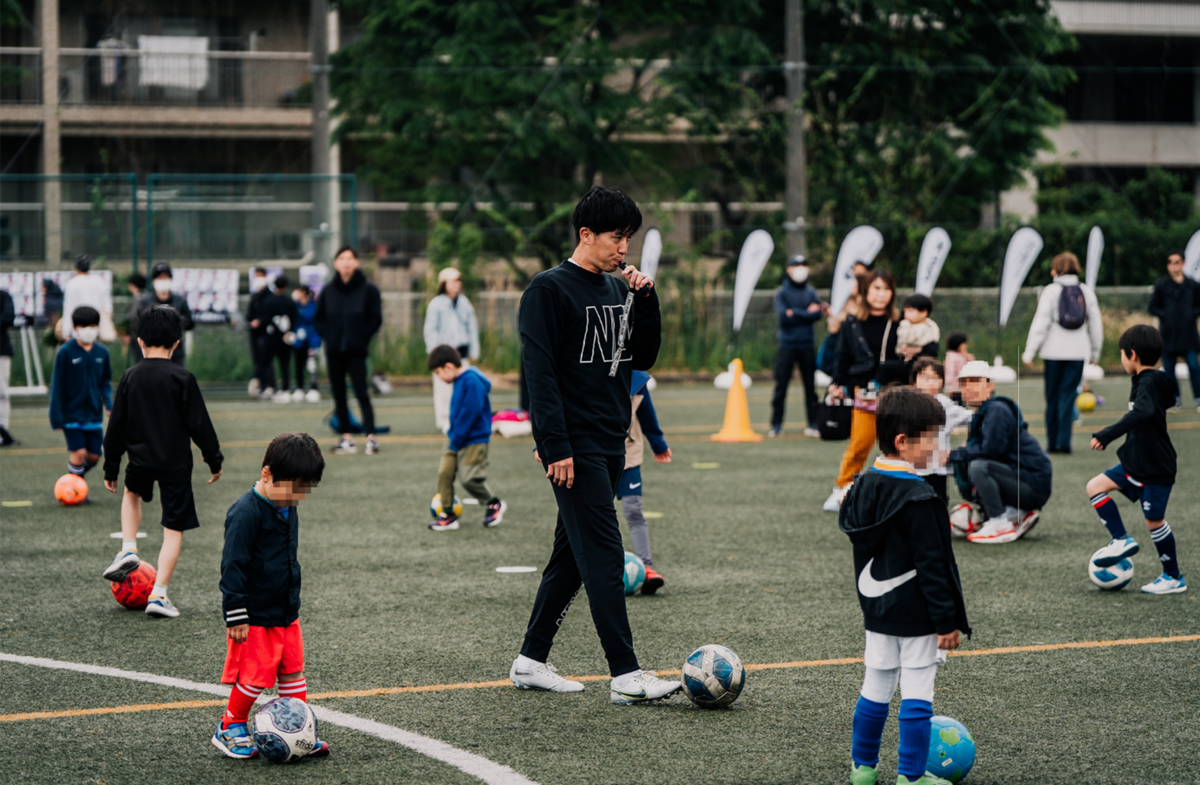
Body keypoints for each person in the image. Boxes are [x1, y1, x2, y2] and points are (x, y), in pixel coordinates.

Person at [512, 185, 681, 704]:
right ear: (585, 234)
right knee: (606, 554)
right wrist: (554, 444)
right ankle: (626, 676)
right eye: (615, 236)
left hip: (611, 441)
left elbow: (641, 358)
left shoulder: (617, 290)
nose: (623, 247)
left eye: (628, 237)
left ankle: (529, 661)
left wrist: (646, 300)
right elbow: (538, 374)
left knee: (569, 558)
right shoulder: (547, 290)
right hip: (574, 447)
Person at [839, 387, 970, 785]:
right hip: (916, 614)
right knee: (917, 692)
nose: (938, 446)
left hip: (877, 612)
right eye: (932, 438)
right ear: (903, 441)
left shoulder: (860, 486)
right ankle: (911, 778)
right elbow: (933, 567)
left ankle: (862, 770)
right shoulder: (921, 498)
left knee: (875, 686)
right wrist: (947, 621)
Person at [213, 432, 331, 760]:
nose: (296, 497)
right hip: (255, 615)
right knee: (253, 678)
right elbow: (232, 564)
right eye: (292, 488)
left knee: (293, 673)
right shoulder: (245, 512)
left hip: (285, 611)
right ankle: (229, 725)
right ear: (266, 474)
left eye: (303, 490)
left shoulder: (287, 506)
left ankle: (300, 732)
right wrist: (235, 609)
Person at [101, 306, 223, 618]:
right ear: (177, 344)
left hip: (139, 461)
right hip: (175, 465)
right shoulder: (183, 378)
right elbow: (200, 424)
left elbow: (116, 427)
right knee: (173, 528)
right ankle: (159, 594)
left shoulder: (130, 376)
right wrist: (214, 459)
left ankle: (129, 548)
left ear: (139, 342)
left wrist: (111, 466)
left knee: (131, 494)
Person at [1087, 325, 1186, 595]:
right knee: (1095, 486)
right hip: (1135, 462)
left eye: (1121, 353)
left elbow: (1143, 410)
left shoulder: (1148, 381)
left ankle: (1173, 577)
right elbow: (1163, 400)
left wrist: (1107, 434)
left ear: (1132, 354)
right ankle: (1121, 539)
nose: (1121, 358)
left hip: (1155, 467)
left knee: (1154, 522)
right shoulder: (1150, 380)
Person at [824, 270, 907, 513]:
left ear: (892, 293)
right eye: (876, 288)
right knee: (860, 444)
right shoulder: (852, 322)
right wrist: (837, 384)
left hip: (895, 393)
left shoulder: (901, 321)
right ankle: (843, 488)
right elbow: (842, 356)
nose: (881, 294)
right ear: (865, 292)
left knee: (900, 445)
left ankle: (902, 492)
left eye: (886, 289)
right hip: (863, 393)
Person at [948, 360, 1052, 544]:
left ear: (990, 386)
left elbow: (990, 451)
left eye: (975, 381)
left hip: (1032, 486)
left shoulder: (996, 410)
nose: (968, 388)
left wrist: (955, 454)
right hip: (1027, 482)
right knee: (975, 462)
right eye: (964, 383)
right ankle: (1015, 514)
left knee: (979, 466)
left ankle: (999, 523)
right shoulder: (985, 412)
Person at [1021, 252, 1103, 454]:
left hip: (1052, 352)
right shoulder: (1085, 291)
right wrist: (1095, 352)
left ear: (1056, 270)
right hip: (1077, 352)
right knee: (1067, 395)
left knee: (1052, 397)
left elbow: (1040, 322)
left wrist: (1030, 351)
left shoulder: (1051, 291)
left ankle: (1051, 443)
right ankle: (1064, 442)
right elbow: (1096, 324)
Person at [426, 344, 506, 531]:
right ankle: (447, 513)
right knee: (444, 473)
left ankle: (493, 503)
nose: (438, 377)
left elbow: (470, 412)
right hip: (456, 437)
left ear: (449, 366)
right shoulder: (459, 380)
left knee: (468, 478)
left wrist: (457, 438)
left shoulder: (471, 380)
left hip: (473, 440)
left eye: (438, 372)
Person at [314, 246, 383, 456]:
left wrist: (362, 336)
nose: (345, 262)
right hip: (334, 351)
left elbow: (375, 318)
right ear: (335, 263)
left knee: (362, 393)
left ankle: (371, 438)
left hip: (356, 351)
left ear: (356, 262)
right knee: (339, 395)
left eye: (349, 258)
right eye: (341, 258)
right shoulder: (328, 290)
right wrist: (329, 336)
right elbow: (318, 319)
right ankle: (346, 438)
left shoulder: (368, 289)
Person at [620, 370, 671, 594]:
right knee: (594, 515)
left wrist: (658, 444)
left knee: (633, 509)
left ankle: (646, 567)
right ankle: (592, 570)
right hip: (592, 453)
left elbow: (646, 412)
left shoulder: (635, 376)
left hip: (627, 453)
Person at [49, 306, 112, 480]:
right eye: (84, 326)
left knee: (94, 456)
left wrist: (109, 405)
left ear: (98, 327)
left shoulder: (102, 352)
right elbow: (57, 386)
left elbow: (105, 383)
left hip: (93, 415)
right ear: (75, 328)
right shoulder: (65, 352)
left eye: (92, 326)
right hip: (71, 415)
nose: (88, 330)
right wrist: (57, 417)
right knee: (78, 453)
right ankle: (75, 488)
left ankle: (73, 480)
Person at [769, 255, 825, 438]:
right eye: (796, 265)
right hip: (787, 345)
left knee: (811, 387)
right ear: (789, 269)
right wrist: (806, 313)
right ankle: (776, 424)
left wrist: (796, 313)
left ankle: (813, 423)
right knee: (781, 385)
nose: (800, 269)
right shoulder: (782, 293)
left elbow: (817, 315)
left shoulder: (811, 292)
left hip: (807, 344)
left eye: (804, 265)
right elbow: (784, 317)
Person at [424, 267, 481, 433]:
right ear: (444, 284)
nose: (457, 285)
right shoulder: (436, 304)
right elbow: (430, 330)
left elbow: (472, 328)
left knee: (463, 388)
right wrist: (435, 354)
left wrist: (474, 351)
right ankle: (444, 421)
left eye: (458, 281)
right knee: (443, 390)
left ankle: (460, 419)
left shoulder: (464, 303)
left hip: (461, 354)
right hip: (444, 355)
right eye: (453, 281)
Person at [910, 359, 973, 505]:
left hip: (936, 467)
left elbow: (970, 417)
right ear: (914, 381)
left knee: (938, 502)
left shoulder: (944, 404)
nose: (931, 383)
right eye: (925, 378)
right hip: (911, 468)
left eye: (936, 378)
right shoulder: (908, 403)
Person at [1148, 250, 1200, 413]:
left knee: (1194, 367)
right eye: (1170, 262)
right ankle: (1174, 399)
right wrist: (1164, 314)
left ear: (1183, 263)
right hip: (1168, 337)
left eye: (1177, 262)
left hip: (1188, 336)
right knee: (1169, 370)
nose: (1174, 265)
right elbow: (1152, 307)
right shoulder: (1161, 285)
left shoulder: (1192, 285)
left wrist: (1192, 314)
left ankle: (1198, 398)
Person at [132, 263, 194, 366]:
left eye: (165, 277)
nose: (163, 280)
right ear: (153, 281)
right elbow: (137, 325)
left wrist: (172, 319)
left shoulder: (180, 301)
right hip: (150, 354)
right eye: (159, 277)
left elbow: (190, 323)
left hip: (175, 354)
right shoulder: (145, 302)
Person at [60, 254, 114, 343]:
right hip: (95, 327)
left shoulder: (71, 283)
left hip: (78, 328)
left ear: (76, 268)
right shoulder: (99, 282)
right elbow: (107, 307)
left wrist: (65, 332)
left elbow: (68, 308)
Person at [261, 275, 299, 402]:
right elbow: (294, 318)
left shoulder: (268, 300)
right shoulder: (289, 301)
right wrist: (289, 332)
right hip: (285, 337)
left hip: (271, 337)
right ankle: (285, 389)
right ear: (286, 286)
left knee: (267, 362)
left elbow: (266, 319)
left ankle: (269, 387)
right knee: (285, 365)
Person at [291, 284, 321, 402]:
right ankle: (299, 388)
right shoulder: (296, 306)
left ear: (303, 292)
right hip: (298, 341)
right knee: (298, 365)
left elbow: (315, 324)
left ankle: (314, 388)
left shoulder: (313, 306)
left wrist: (313, 342)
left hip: (311, 340)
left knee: (311, 365)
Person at [246, 268, 272, 398]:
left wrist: (260, 321)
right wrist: (248, 321)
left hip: (266, 334)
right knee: (257, 360)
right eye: (256, 276)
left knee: (265, 360)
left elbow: (270, 315)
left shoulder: (269, 296)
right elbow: (249, 314)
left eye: (260, 276)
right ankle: (260, 386)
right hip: (254, 334)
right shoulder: (255, 297)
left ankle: (269, 385)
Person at [896, 294, 939, 362]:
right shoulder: (931, 325)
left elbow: (908, 338)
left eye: (910, 311)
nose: (906, 314)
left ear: (924, 313)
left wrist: (905, 324)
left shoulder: (929, 327)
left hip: (920, 361)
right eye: (905, 311)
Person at [0, 287, 15, 446]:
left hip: (1, 351)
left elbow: (8, 317)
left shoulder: (4, 295)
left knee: (2, 393)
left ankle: (3, 432)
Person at [943, 332, 972, 398]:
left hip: (964, 388)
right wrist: (950, 386)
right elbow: (949, 372)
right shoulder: (951, 356)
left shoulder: (963, 356)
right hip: (955, 389)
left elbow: (972, 365)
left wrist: (966, 354)